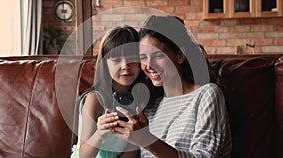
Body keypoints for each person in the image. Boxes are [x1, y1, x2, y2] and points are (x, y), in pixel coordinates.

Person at [112, 15, 232, 158]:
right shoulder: (149, 108)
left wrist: (148, 141)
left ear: (180, 55)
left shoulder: (207, 95)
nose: (149, 65)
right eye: (143, 58)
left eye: (158, 56)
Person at [71, 25, 143, 158]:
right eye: (116, 60)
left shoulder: (140, 100)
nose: (125, 66)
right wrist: (99, 134)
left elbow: (131, 152)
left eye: (132, 58)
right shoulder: (96, 99)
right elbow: (83, 155)